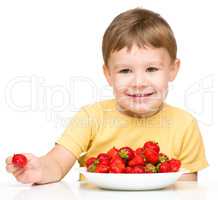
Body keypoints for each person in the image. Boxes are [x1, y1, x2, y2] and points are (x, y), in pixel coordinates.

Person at [5, 8, 208, 184]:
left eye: (152, 69)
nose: (139, 82)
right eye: (125, 71)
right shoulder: (91, 117)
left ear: (173, 70)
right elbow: (57, 163)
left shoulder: (184, 124)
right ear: (108, 74)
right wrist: (39, 169)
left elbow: (186, 189)